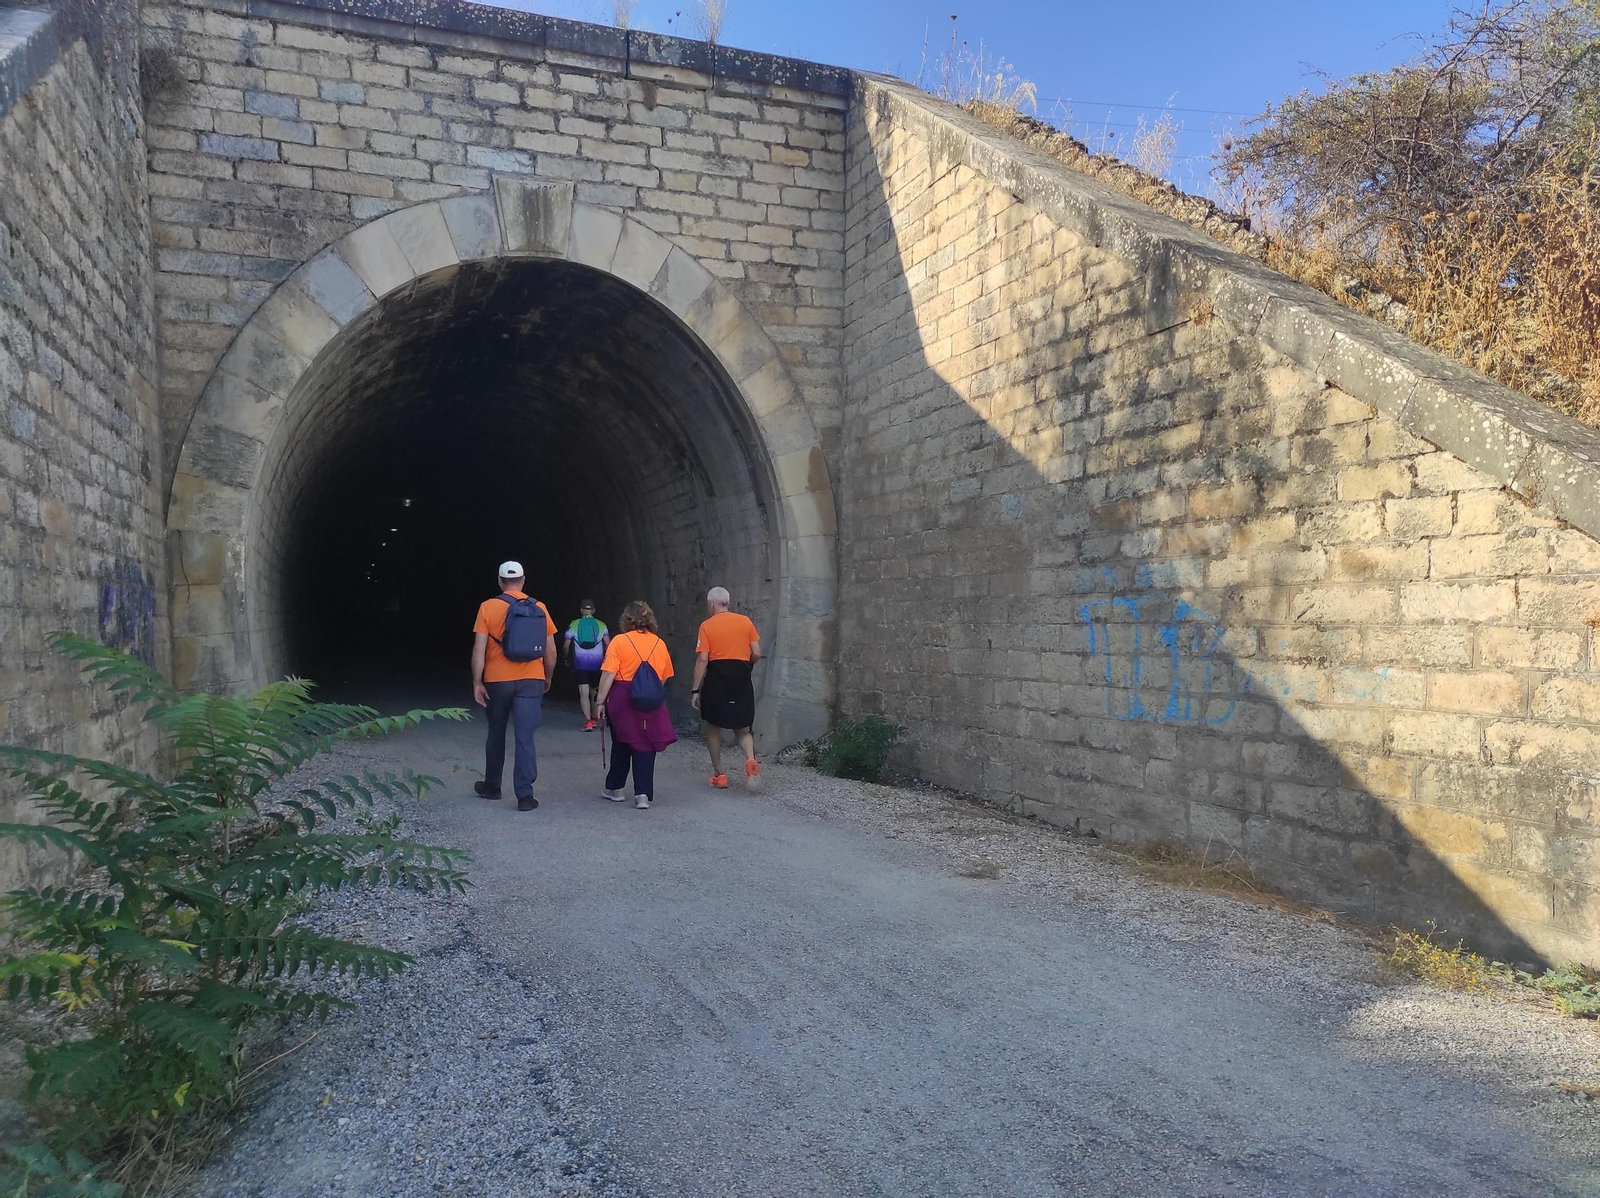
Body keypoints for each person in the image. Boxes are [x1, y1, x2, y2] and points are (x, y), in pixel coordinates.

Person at [470, 561, 557, 812]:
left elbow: (479, 648)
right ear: (523, 580)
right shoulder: (539, 607)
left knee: (496, 732)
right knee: (525, 737)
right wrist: (547, 676)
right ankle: (525, 796)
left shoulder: (487, 607)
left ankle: (492, 786)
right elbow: (550, 650)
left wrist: (477, 681)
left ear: (499, 581)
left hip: (498, 680)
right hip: (531, 679)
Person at [595, 600, 677, 810]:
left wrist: (600, 701)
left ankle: (616, 788)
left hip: (623, 696)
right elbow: (664, 677)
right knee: (646, 744)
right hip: (650, 698)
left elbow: (608, 674)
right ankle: (643, 794)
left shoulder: (620, 642)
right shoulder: (659, 643)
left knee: (622, 742)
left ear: (626, 619)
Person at [691, 586, 761, 790]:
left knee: (713, 726)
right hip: (741, 676)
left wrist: (695, 689)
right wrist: (747, 664)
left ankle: (719, 775)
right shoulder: (745, 622)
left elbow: (703, 658)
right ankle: (750, 761)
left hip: (717, 676)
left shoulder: (706, 625)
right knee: (743, 728)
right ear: (727, 602)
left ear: (711, 604)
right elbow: (756, 652)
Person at [564, 599, 610, 731]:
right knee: (595, 691)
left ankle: (588, 721)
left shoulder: (574, 624)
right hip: (597, 663)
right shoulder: (601, 625)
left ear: (581, 610)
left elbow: (566, 645)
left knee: (583, 692)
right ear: (594, 611)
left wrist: (566, 656)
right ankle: (596, 719)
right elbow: (608, 643)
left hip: (580, 663)